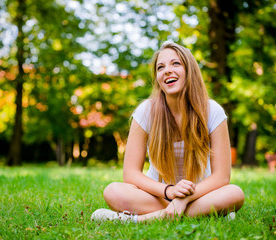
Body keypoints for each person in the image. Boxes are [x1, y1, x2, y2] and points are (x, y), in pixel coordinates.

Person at [91, 42, 245, 223]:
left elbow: (222, 177)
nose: (167, 71)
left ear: (190, 70)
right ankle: (204, 213)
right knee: (113, 191)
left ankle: (139, 220)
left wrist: (184, 198)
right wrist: (170, 191)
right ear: (157, 78)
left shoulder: (212, 111)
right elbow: (131, 174)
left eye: (176, 64)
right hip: (159, 194)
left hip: (200, 194)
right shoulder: (146, 111)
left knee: (234, 193)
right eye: (160, 67)